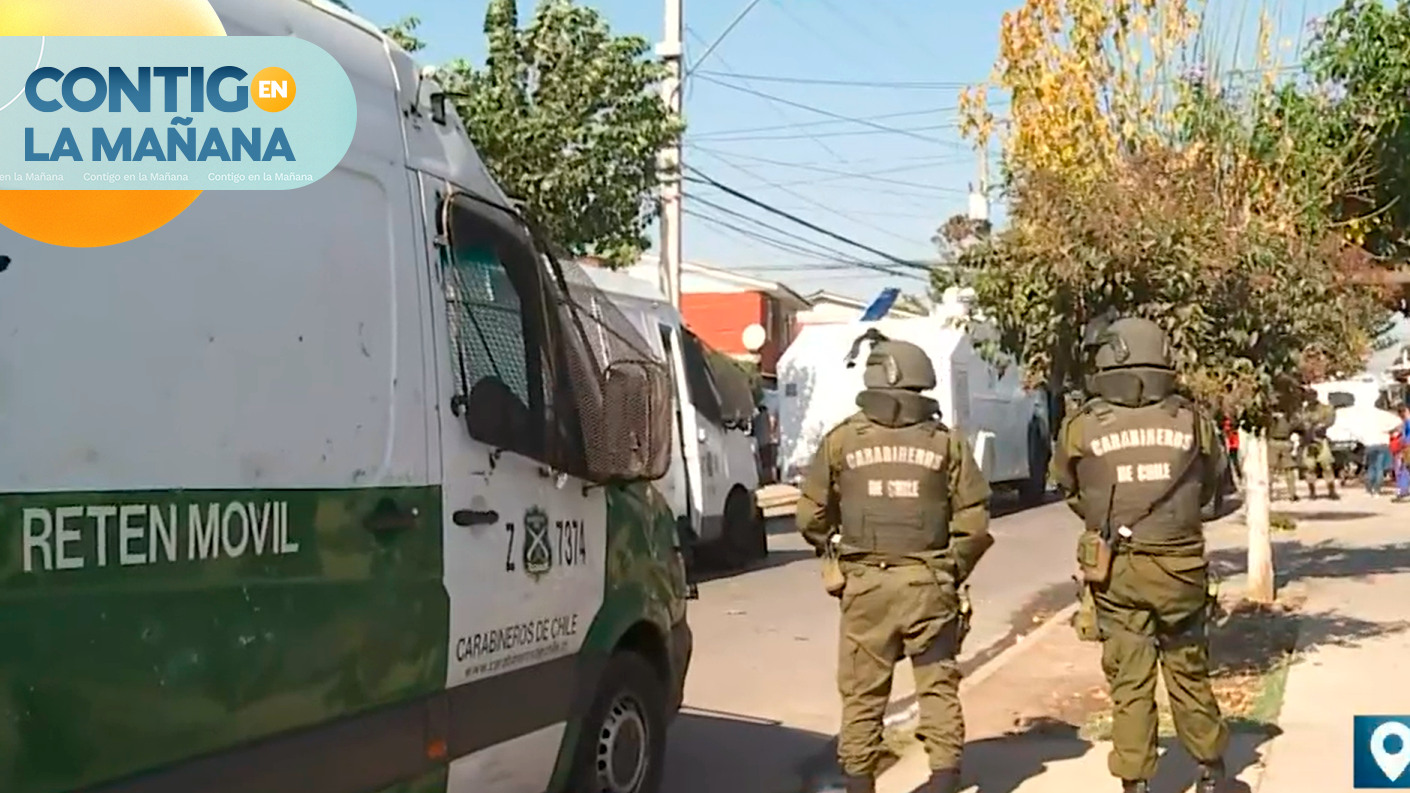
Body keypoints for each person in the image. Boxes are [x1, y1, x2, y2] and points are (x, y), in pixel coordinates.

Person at [796, 335, 994, 793]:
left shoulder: (842, 440)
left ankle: (859, 780)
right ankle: (943, 777)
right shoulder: (946, 443)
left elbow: (810, 516)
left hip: (866, 586)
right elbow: (974, 521)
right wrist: (950, 569)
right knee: (937, 683)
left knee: (862, 692)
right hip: (929, 584)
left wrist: (833, 552)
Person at [1051, 317, 1229, 793]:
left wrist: (1110, 521)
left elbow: (1070, 489)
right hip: (1181, 568)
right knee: (1188, 671)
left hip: (1117, 570)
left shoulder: (1082, 425)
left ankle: (1134, 781)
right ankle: (1211, 772)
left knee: (1129, 681)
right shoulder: (1193, 421)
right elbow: (1216, 491)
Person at [1299, 405, 1339, 500]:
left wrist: (1322, 424)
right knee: (1309, 467)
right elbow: (1298, 424)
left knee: (1327, 465)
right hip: (1307, 442)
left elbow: (1330, 420)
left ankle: (1332, 491)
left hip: (1321, 440)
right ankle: (1312, 492)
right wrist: (1305, 426)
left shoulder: (1323, 409)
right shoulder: (1303, 411)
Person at [1267, 412, 1299, 502]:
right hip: (1281, 442)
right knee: (1273, 469)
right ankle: (1291, 493)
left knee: (1284, 469)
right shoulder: (1286, 415)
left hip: (1279, 442)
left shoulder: (1276, 416)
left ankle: (1291, 494)